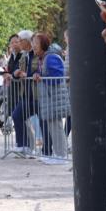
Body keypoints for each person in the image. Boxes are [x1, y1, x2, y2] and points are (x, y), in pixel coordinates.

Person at [31, 33, 68, 164]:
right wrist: (38, 74)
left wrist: (42, 77)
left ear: (43, 44)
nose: (33, 45)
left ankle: (62, 156)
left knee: (56, 127)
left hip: (54, 97)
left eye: (35, 42)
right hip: (50, 98)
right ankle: (58, 155)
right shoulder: (44, 58)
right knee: (53, 126)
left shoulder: (51, 57)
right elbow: (45, 74)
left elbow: (57, 76)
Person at [10, 30, 35, 155]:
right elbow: (16, 69)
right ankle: (24, 145)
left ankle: (27, 146)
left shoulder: (33, 54)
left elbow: (35, 71)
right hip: (26, 93)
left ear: (26, 41)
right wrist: (16, 73)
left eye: (20, 41)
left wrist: (26, 75)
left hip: (35, 94)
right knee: (18, 115)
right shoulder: (25, 55)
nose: (18, 43)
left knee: (18, 115)